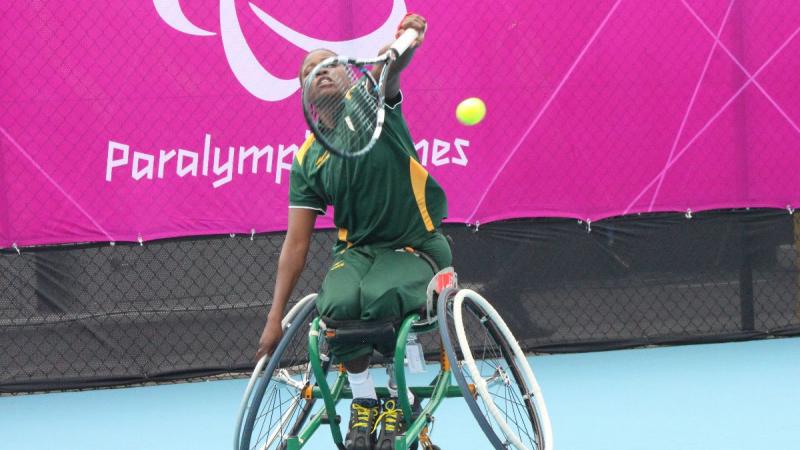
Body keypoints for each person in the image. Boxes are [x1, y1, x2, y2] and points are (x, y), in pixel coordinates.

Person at [255, 13, 451, 450]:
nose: (320, 71)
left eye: (330, 64)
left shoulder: (372, 104)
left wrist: (407, 39)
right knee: (338, 305)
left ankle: (400, 403)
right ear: (303, 92)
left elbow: (391, 66)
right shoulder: (307, 159)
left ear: (350, 76)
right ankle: (364, 402)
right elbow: (297, 242)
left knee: (381, 298)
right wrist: (274, 318)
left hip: (415, 246)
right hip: (357, 254)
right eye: (310, 70)